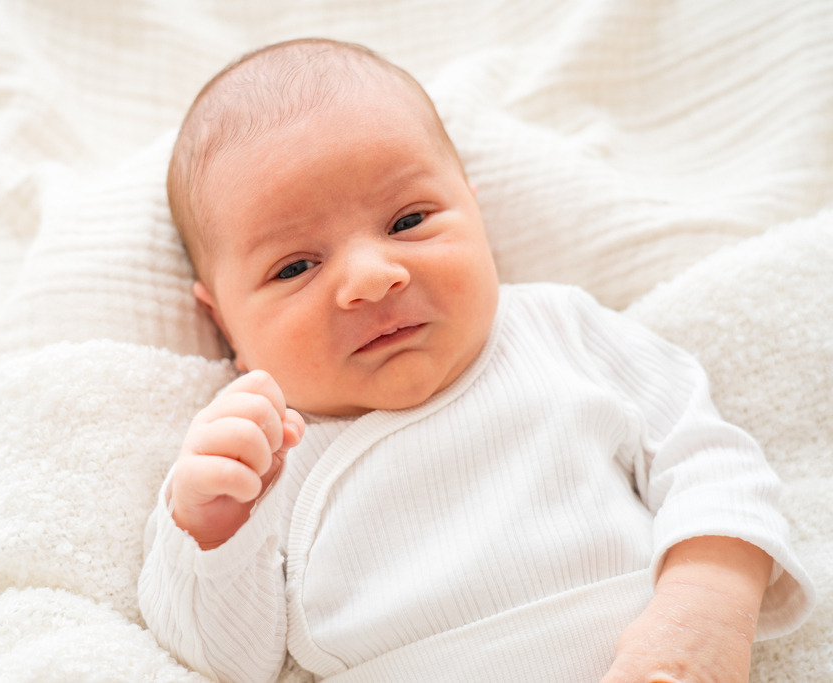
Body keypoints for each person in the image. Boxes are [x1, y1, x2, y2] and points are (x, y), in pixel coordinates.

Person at [138, 38, 814, 682]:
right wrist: (210, 529)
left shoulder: (560, 330)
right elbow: (225, 662)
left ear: (475, 211)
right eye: (294, 266)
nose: (372, 277)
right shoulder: (254, 458)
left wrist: (706, 600)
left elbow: (711, 459)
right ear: (222, 321)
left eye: (408, 221)